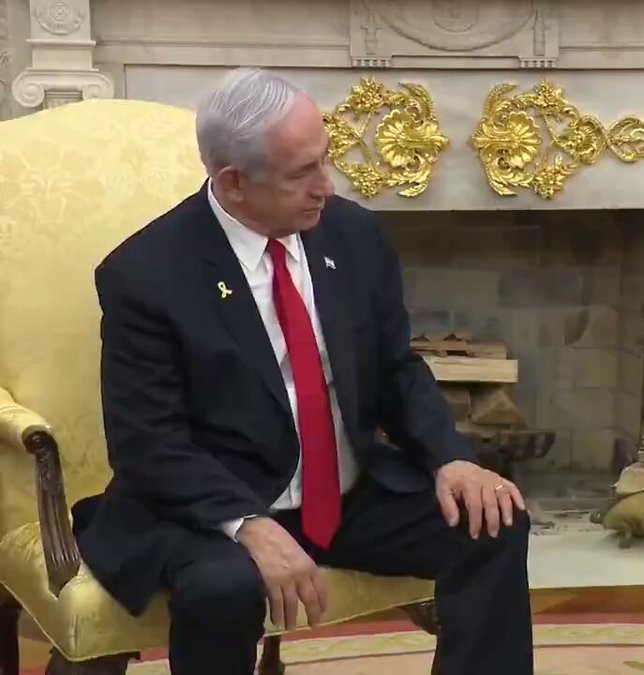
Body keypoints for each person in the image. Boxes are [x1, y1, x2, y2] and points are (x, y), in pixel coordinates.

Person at [71, 67, 534, 675]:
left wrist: (451, 457)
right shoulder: (147, 275)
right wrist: (247, 525)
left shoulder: (354, 235)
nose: (326, 186)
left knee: (494, 524)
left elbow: (396, 368)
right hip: (214, 506)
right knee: (223, 588)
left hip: (344, 496)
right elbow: (148, 443)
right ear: (234, 183)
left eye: (325, 159)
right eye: (302, 173)